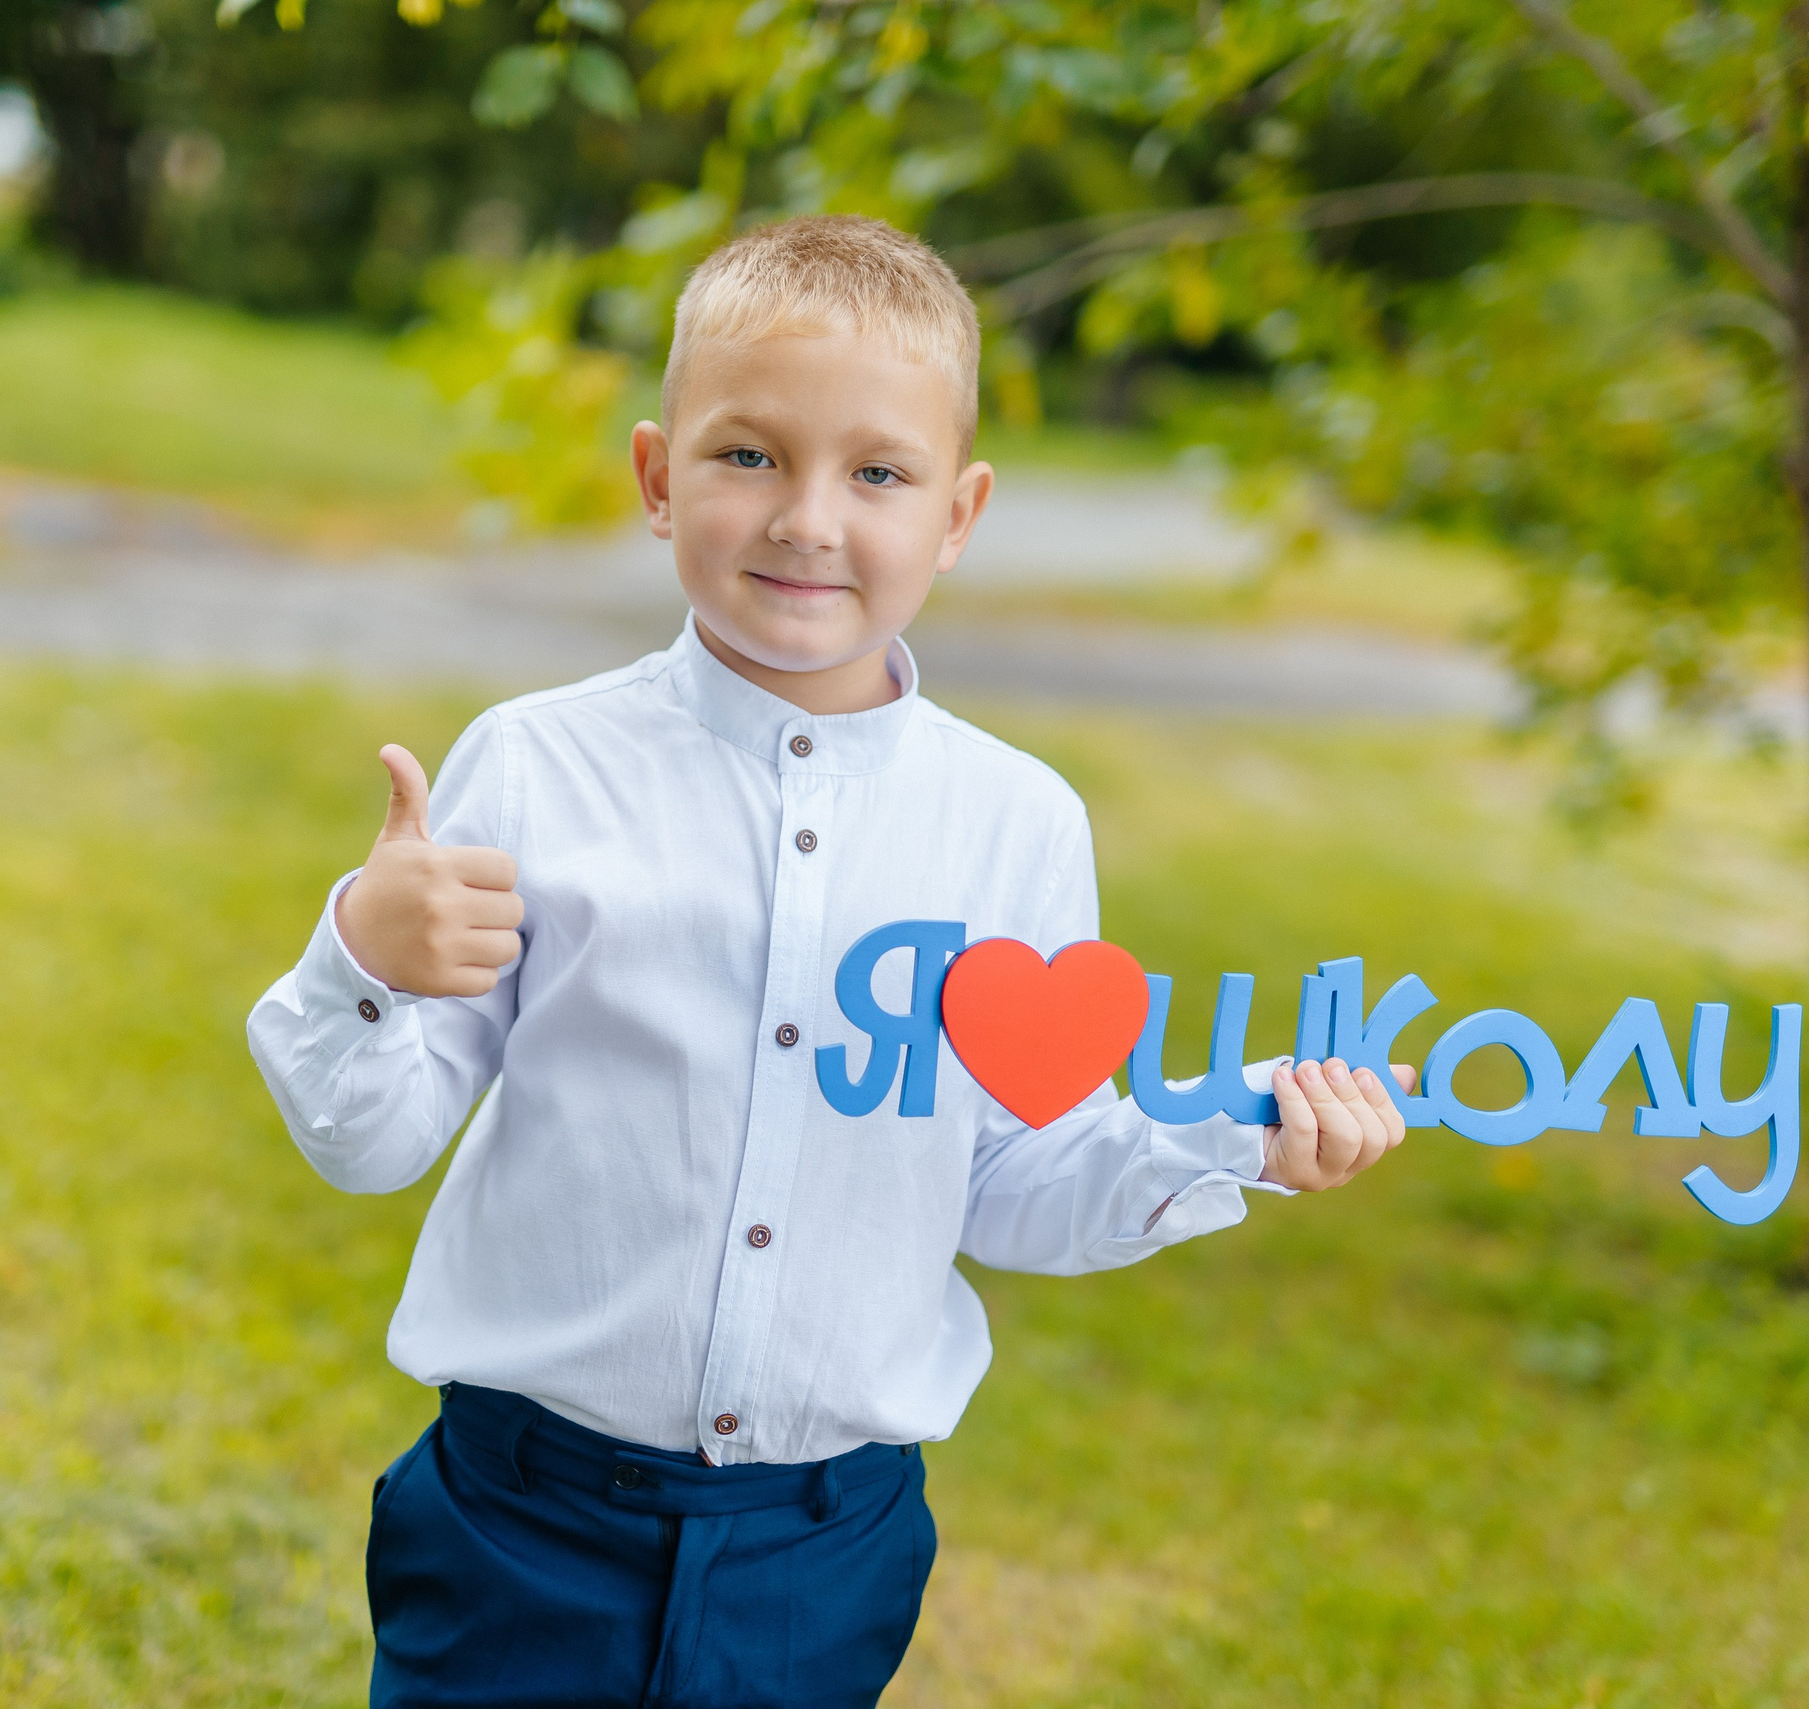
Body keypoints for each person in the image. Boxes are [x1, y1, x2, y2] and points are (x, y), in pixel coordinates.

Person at [247, 214, 1412, 1708]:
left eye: (878, 474)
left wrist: (1236, 1135)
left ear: (959, 512)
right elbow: (367, 1142)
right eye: (749, 456)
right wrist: (365, 954)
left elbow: (1012, 1185)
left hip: (823, 1548)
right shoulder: (538, 768)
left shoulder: (1014, 824)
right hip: (522, 1520)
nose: (807, 518)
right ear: (657, 478)